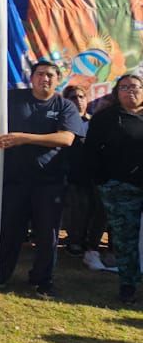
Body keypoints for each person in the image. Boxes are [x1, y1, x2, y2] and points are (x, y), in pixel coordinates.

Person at [0, 60, 81, 298]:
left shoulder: (65, 106)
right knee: (8, 231)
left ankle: (43, 281)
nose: (45, 79)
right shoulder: (12, 100)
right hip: (13, 180)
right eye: (41, 74)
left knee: (47, 234)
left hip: (49, 182)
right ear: (31, 78)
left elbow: (66, 138)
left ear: (58, 80)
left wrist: (23, 138)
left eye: (50, 76)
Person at [83, 73, 143, 303]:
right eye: (125, 87)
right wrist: (104, 182)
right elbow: (90, 154)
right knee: (125, 240)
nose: (131, 91)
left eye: (136, 87)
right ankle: (128, 285)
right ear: (117, 93)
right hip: (119, 189)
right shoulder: (105, 119)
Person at [59, 84, 113, 271]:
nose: (79, 100)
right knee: (76, 210)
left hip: (94, 176)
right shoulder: (60, 123)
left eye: (82, 97)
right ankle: (74, 241)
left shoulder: (94, 122)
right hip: (71, 176)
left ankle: (91, 246)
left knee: (97, 212)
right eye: (74, 97)